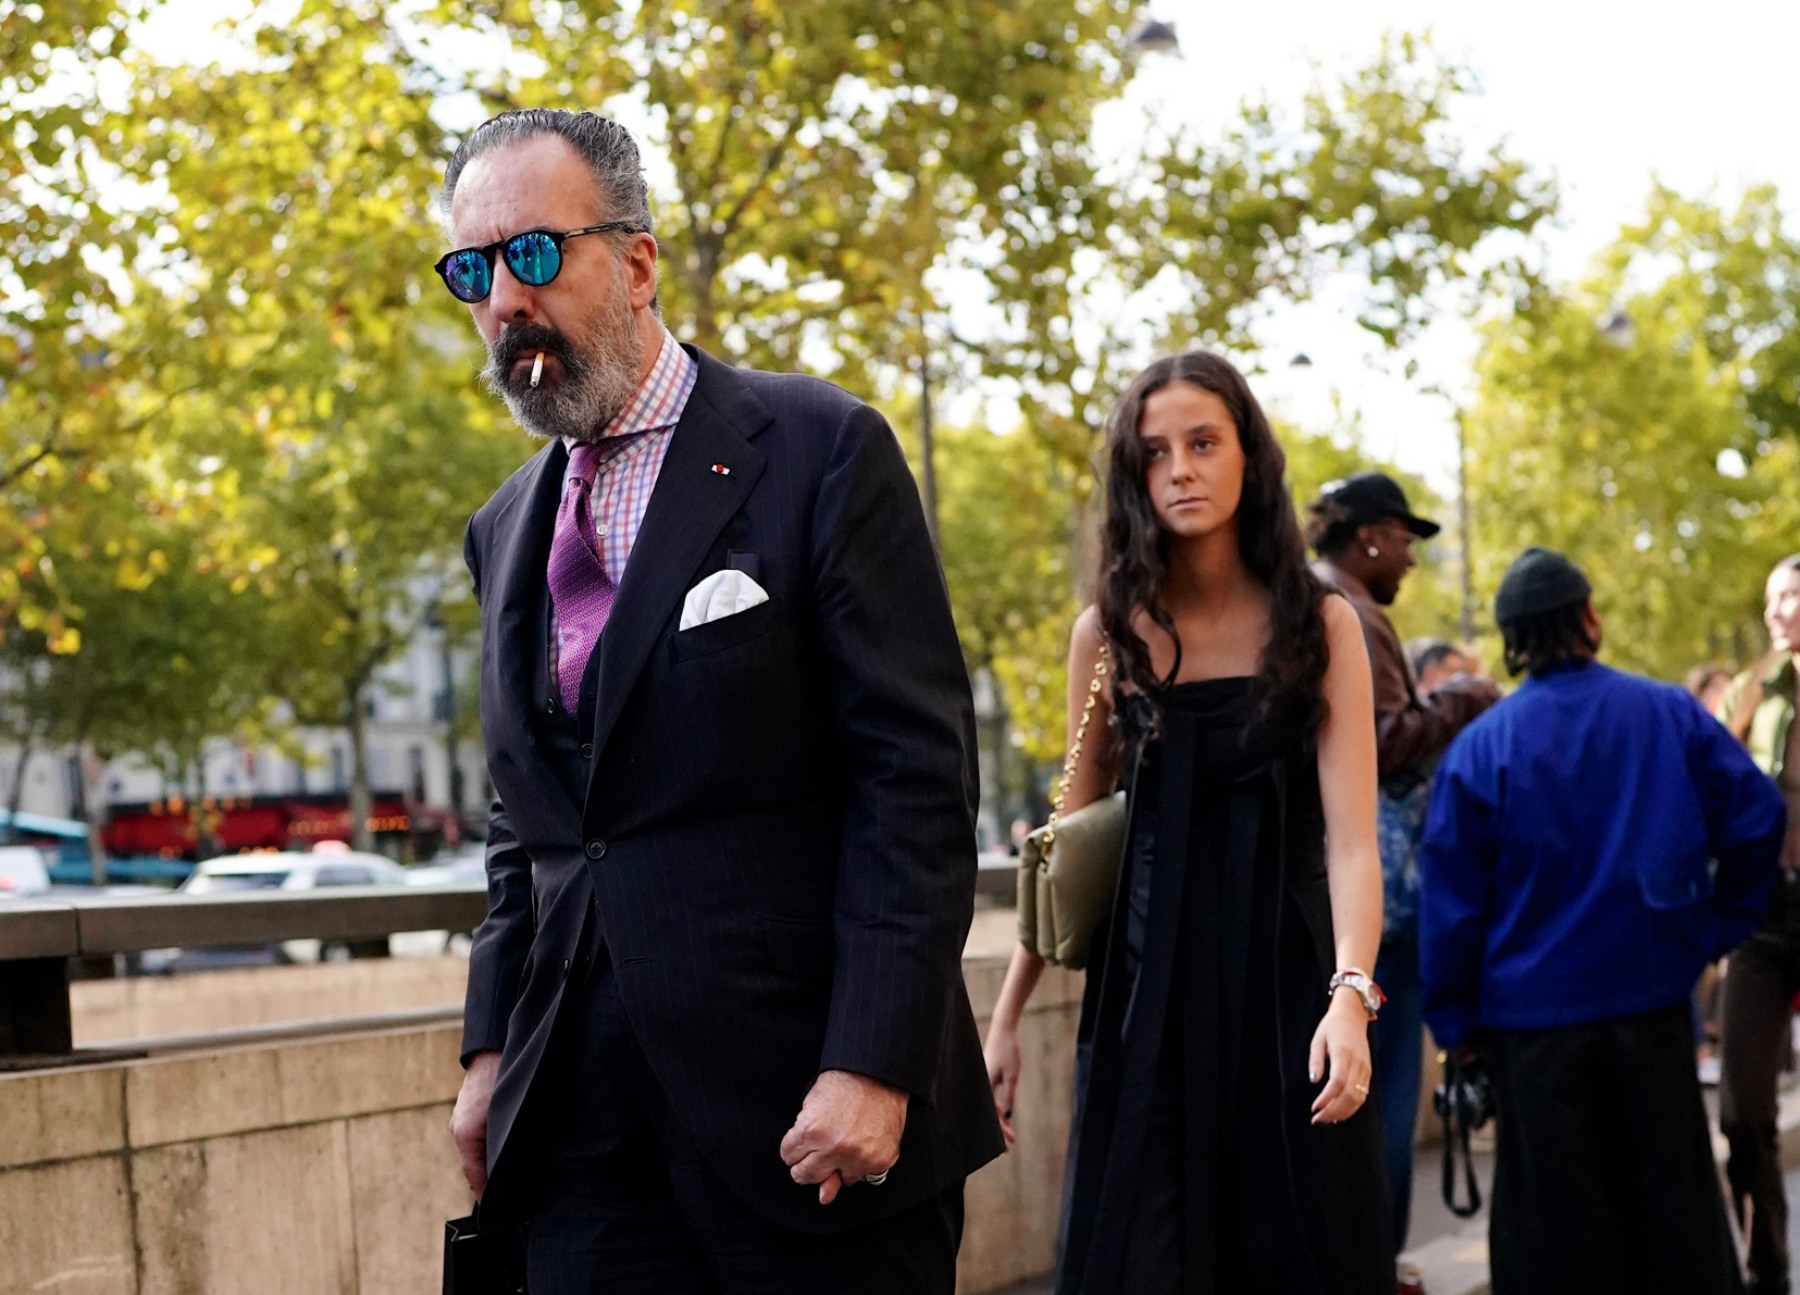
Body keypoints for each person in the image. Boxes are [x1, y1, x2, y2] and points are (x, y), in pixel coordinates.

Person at [439, 110, 1002, 1294]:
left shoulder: (820, 449)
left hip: (808, 1127)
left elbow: (914, 784)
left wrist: (876, 1059)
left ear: (636, 262)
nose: (504, 299)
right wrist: (491, 1045)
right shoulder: (501, 526)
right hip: (582, 1135)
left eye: (533, 254)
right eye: (472, 269)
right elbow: (526, 821)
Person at [983, 350, 1394, 1294]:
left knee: (1299, 1254)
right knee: (1142, 1259)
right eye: (1154, 452)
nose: (1180, 468)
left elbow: (1352, 840)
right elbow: (1064, 845)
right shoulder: (1111, 631)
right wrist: (1004, 1021)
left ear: (1248, 454)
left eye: (1203, 442)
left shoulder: (1321, 623)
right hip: (1144, 1006)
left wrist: (1350, 994)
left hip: (1291, 998)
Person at [1419, 547, 1785, 1295]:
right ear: (1589, 617)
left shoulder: (1480, 748)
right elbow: (1757, 816)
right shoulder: (1667, 711)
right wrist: (1714, 927)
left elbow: (1451, 909)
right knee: (1672, 1217)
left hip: (1529, 1032)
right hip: (1648, 1004)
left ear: (1512, 638)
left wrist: (1457, 1029)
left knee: (1553, 1233)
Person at [1308, 473, 1500, 1283]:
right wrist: (1462, 697)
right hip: (1380, 913)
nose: (1412, 560)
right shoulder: (1349, 610)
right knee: (1380, 1099)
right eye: (1405, 540)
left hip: (1325, 903)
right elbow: (1384, 743)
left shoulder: (1310, 599)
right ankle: (1373, 1262)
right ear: (1370, 536)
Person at [1718, 553, 1800, 1295]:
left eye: (1792, 597)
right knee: (1742, 1107)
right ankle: (1767, 1268)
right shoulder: (1751, 690)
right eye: (1773, 597)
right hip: (1763, 914)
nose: (1779, 610)